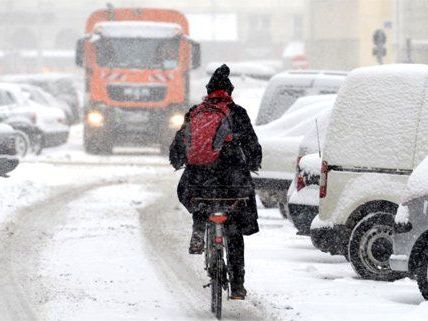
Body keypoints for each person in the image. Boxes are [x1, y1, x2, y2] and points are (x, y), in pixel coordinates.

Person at [169, 64, 262, 300]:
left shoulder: (195, 112)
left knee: (193, 196)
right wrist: (253, 162)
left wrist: (179, 161)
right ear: (229, 92)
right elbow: (252, 145)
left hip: (200, 180)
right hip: (232, 182)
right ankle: (238, 285)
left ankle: (199, 224)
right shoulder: (237, 113)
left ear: (208, 91)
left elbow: (178, 145)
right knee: (234, 229)